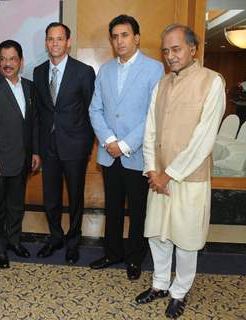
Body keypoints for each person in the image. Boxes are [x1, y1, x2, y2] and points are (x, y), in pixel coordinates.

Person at [135, 24, 225, 318]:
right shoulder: (161, 84)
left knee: (185, 240)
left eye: (176, 49)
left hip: (188, 178)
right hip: (158, 178)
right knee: (158, 236)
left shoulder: (211, 82)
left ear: (192, 49)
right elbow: (150, 130)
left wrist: (169, 174)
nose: (170, 56)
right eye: (165, 51)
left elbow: (204, 139)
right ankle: (160, 284)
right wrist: (151, 169)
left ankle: (180, 291)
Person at [88, 15, 164, 279]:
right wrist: (110, 142)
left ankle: (134, 258)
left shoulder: (154, 69)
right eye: (115, 36)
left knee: (138, 209)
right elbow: (95, 109)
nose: (119, 41)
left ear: (137, 38)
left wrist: (124, 144)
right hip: (109, 154)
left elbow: (152, 114)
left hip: (137, 153)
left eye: (125, 35)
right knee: (113, 207)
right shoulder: (105, 70)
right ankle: (112, 252)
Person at [33, 22, 95, 264]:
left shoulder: (83, 71)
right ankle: (55, 237)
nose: (55, 43)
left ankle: (73, 241)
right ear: (46, 42)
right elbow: (38, 113)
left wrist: (86, 144)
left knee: (75, 198)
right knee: (51, 197)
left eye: (59, 39)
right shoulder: (38, 72)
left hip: (75, 147)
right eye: (50, 39)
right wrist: (36, 148)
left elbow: (92, 111)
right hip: (48, 147)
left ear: (68, 42)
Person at [0, 40, 40, 269]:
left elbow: (33, 123)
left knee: (16, 206)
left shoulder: (30, 87)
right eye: (3, 59)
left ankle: (13, 241)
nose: (7, 63)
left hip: (23, 161)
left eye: (12, 59)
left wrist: (35, 152)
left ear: (21, 62)